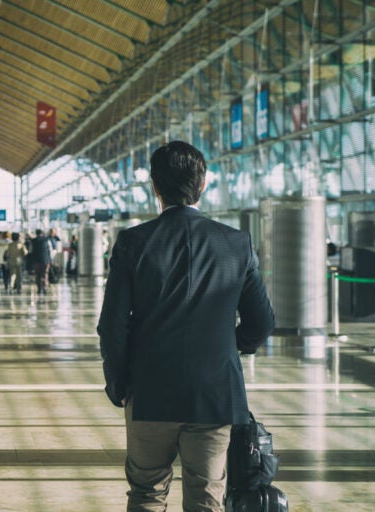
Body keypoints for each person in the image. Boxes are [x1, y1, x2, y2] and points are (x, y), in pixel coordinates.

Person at [97, 141, 275, 512]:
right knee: (206, 496)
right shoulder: (236, 243)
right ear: (204, 183)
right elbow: (262, 322)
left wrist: (118, 384)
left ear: (155, 187)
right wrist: (231, 344)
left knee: (146, 492)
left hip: (149, 390)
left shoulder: (133, 243)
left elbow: (112, 327)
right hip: (214, 394)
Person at [30, 229, 53, 295]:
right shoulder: (47, 240)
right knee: (45, 274)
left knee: (37, 275)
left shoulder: (33, 241)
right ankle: (45, 288)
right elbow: (50, 250)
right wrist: (50, 260)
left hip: (36, 261)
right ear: (42, 233)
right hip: (45, 261)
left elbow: (30, 251)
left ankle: (39, 289)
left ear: (36, 234)